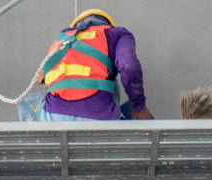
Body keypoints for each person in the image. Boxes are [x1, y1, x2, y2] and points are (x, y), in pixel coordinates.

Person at [22, 9, 152, 122]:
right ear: (108, 24)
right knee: (109, 75)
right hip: (101, 117)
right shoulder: (117, 33)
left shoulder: (62, 40)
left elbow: (46, 80)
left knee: (27, 102)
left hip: (52, 118)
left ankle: (37, 146)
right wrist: (138, 106)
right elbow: (128, 66)